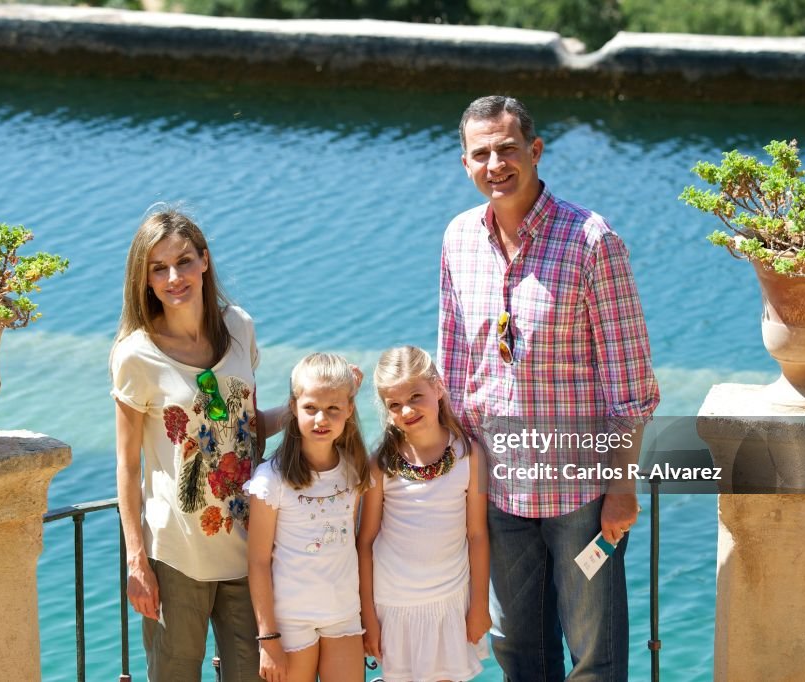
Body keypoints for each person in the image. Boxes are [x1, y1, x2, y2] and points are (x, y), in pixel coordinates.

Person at [438, 95, 661, 681]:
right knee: (519, 654)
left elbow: (631, 386)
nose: (495, 164)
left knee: (594, 655)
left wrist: (621, 488)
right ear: (465, 163)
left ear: (534, 152)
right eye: (480, 154)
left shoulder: (592, 242)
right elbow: (455, 366)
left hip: (582, 498)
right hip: (498, 489)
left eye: (507, 149)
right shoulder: (458, 239)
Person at [111, 207, 281, 682]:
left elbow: (245, 431)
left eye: (184, 261)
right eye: (158, 268)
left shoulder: (239, 327)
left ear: (204, 261)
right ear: (144, 279)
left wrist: (311, 407)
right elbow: (126, 466)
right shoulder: (135, 355)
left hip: (250, 551)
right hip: (176, 557)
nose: (174, 277)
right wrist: (135, 561)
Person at [358, 345, 492, 682]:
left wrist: (480, 605)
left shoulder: (470, 455)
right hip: (394, 603)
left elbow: (477, 535)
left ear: (438, 387)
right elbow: (366, 542)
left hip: (449, 600)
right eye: (394, 404)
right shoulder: (381, 464)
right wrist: (369, 617)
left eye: (416, 396)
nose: (407, 410)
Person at [244, 352, 369, 682]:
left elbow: (353, 544)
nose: (320, 419)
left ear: (349, 411)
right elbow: (257, 561)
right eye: (310, 408)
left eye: (333, 409)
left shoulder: (353, 469)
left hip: (343, 614)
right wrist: (268, 638)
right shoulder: (271, 480)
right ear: (293, 407)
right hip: (290, 621)